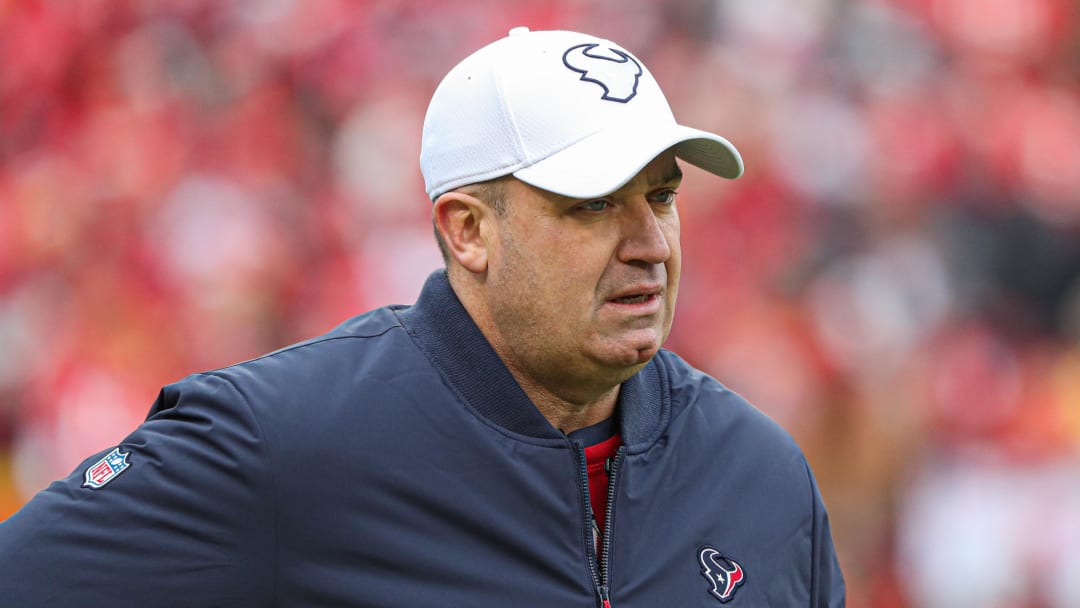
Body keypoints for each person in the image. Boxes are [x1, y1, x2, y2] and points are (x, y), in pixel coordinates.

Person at [0, 27, 845, 606]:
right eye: (593, 207)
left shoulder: (761, 475)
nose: (650, 243)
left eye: (662, 196)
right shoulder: (282, 440)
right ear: (468, 231)